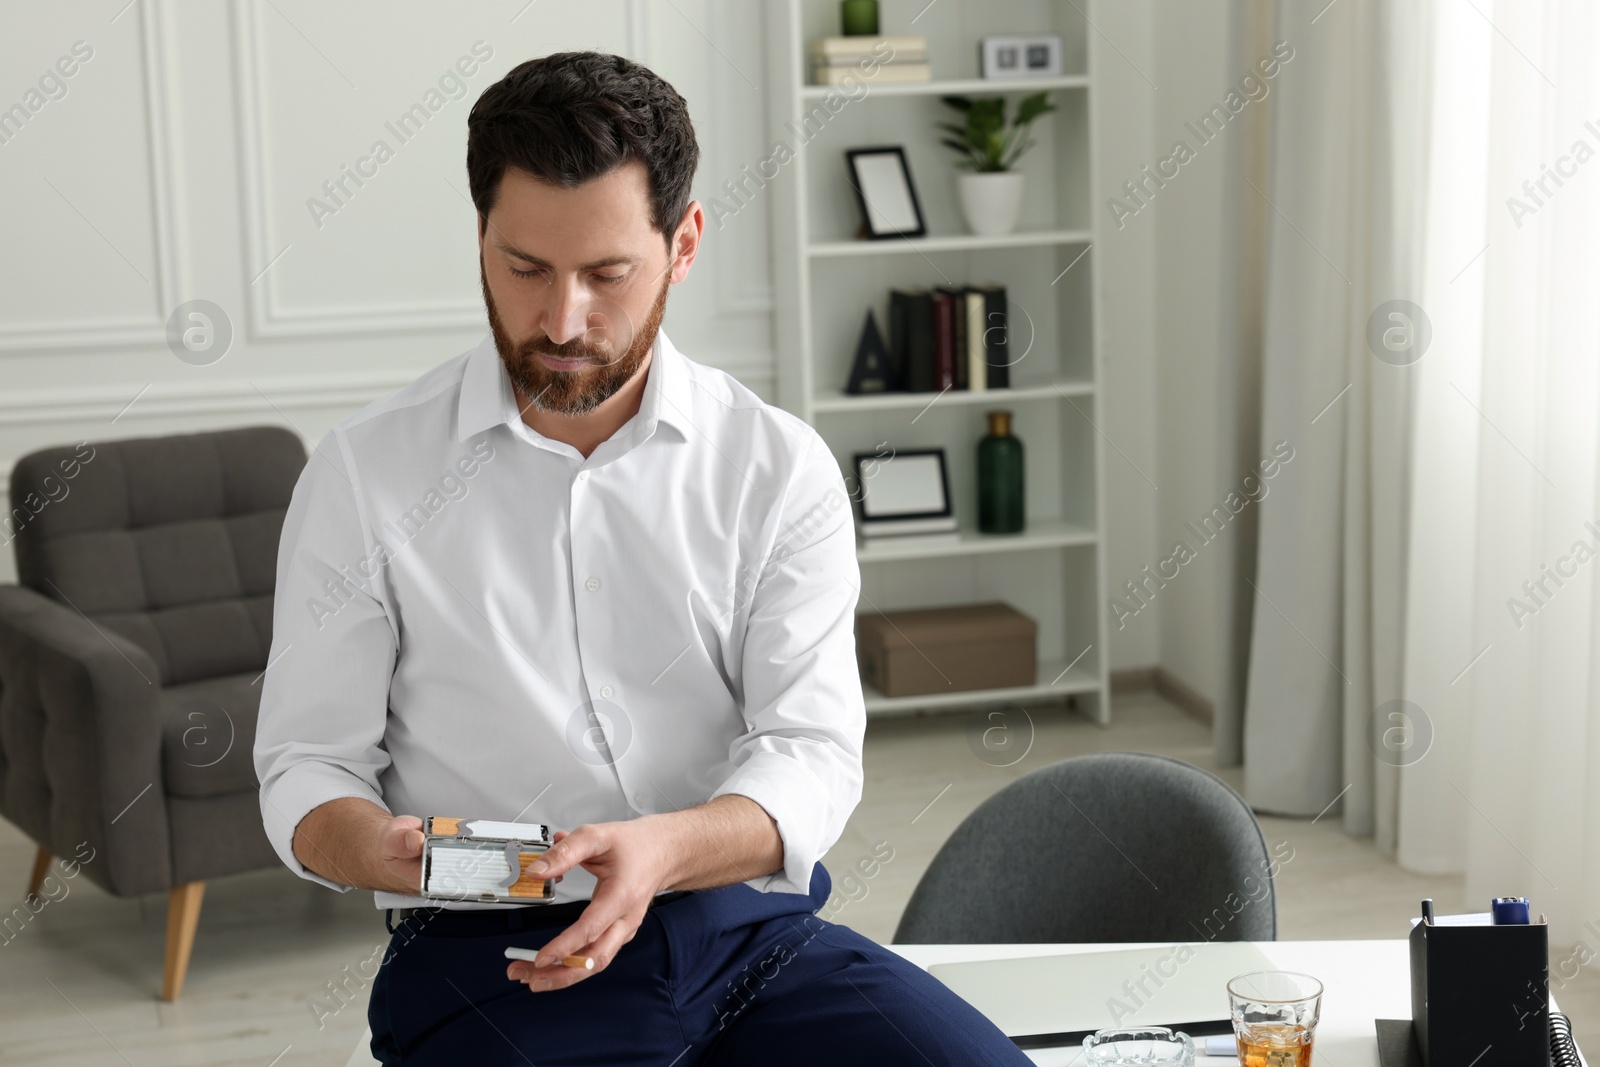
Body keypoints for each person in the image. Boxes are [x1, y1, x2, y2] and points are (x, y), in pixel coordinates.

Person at [254, 50, 1031, 1066]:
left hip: (751, 938)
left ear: (684, 242)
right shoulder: (365, 476)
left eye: (607, 273)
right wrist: (370, 843)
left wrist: (663, 849)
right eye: (523, 268)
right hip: (497, 954)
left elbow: (811, 749)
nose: (563, 320)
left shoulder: (773, 465)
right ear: (482, 237)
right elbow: (307, 762)